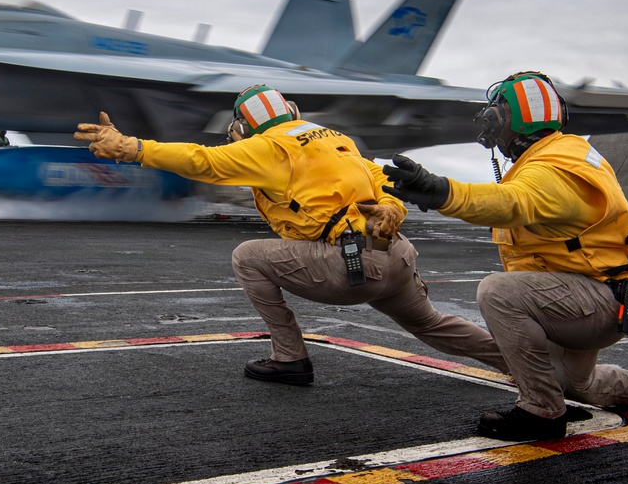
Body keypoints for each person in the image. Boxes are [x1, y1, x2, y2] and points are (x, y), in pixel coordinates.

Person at [73, 84, 507, 385]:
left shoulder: (268, 146)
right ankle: (529, 363)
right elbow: (382, 181)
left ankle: (290, 359)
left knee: (247, 255)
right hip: (395, 254)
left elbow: (203, 160)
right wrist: (392, 209)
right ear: (292, 111)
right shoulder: (338, 139)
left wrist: (134, 148)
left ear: (244, 128)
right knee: (431, 323)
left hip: (351, 266)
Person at [382, 71, 628, 441]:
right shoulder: (560, 156)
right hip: (596, 297)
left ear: (510, 121)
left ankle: (541, 411)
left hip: (592, 301)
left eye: (495, 117)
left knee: (499, 292)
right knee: (577, 385)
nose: (491, 128)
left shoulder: (554, 167)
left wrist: (442, 192)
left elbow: (515, 202)